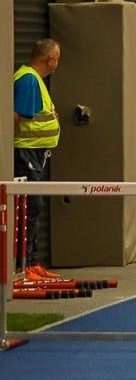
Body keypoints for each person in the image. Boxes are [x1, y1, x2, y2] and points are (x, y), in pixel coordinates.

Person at [12, 37, 61, 282]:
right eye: (57, 58)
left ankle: (32, 262)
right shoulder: (29, 79)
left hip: (34, 154)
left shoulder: (33, 79)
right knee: (31, 207)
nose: (57, 63)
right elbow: (15, 116)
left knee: (34, 207)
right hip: (25, 153)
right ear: (50, 59)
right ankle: (24, 266)